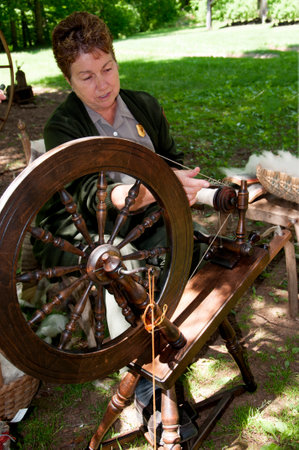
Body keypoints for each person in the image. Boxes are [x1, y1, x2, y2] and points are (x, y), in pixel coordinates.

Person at [36, 11, 209, 445]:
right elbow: (78, 196)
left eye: (107, 68)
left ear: (115, 59)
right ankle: (153, 398)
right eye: (86, 76)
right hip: (99, 236)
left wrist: (186, 182)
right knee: (135, 297)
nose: (102, 84)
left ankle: (174, 350)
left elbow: (170, 158)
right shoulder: (64, 126)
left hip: (153, 220)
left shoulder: (144, 105)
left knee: (212, 262)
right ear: (68, 80)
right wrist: (133, 193)